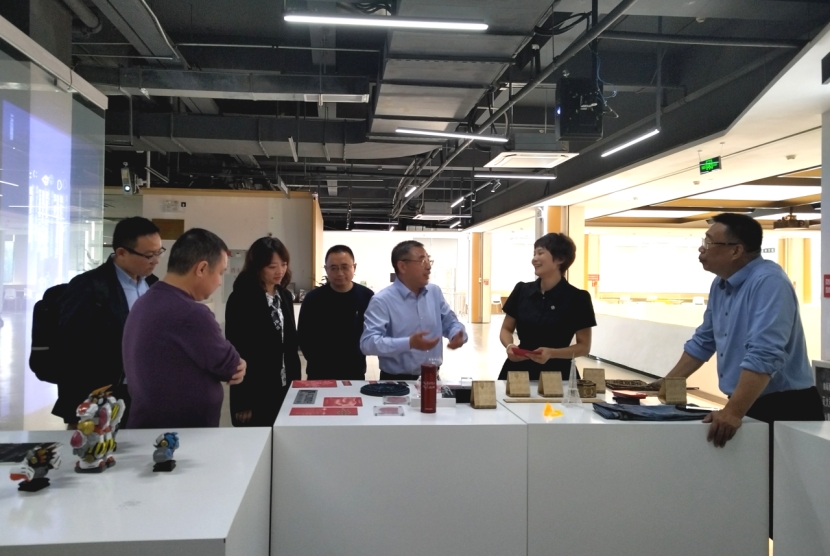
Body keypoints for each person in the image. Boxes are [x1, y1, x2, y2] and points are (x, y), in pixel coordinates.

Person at [123, 228, 245, 428]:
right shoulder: (191, 313)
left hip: (148, 426)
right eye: (220, 273)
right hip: (179, 435)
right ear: (202, 268)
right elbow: (230, 366)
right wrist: (239, 363)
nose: (219, 282)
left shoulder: (145, 300)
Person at [53, 217, 162, 426]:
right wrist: (81, 406)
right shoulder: (89, 287)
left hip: (144, 391)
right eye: (149, 255)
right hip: (101, 395)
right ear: (121, 253)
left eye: (159, 252)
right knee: (97, 446)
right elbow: (70, 349)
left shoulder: (153, 285)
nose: (156, 260)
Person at [360, 240, 467, 380]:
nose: (428, 267)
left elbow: (450, 322)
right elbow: (368, 343)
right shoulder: (382, 300)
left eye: (429, 260)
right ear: (402, 266)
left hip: (432, 378)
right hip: (396, 382)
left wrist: (456, 334)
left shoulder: (434, 292)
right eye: (422, 261)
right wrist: (408, 343)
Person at [499, 233, 596, 381]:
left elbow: (584, 346)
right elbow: (506, 329)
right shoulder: (522, 290)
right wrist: (509, 346)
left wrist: (552, 353)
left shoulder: (578, 298)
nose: (534, 259)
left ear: (560, 259)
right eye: (534, 253)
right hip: (518, 370)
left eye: (540, 253)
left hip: (558, 374)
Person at [225, 237, 301, 427]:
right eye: (272, 266)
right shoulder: (241, 299)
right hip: (256, 390)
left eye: (284, 264)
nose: (280, 271)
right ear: (257, 267)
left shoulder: (284, 295)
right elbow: (237, 350)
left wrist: (297, 385)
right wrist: (243, 401)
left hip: (285, 384)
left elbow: (289, 345)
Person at [298, 245, 374, 380]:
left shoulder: (366, 296)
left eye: (345, 267)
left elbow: (371, 332)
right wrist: (316, 360)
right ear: (326, 269)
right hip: (319, 372)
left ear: (354, 267)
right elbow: (304, 336)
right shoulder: (313, 298)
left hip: (354, 371)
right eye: (333, 268)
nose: (339, 273)